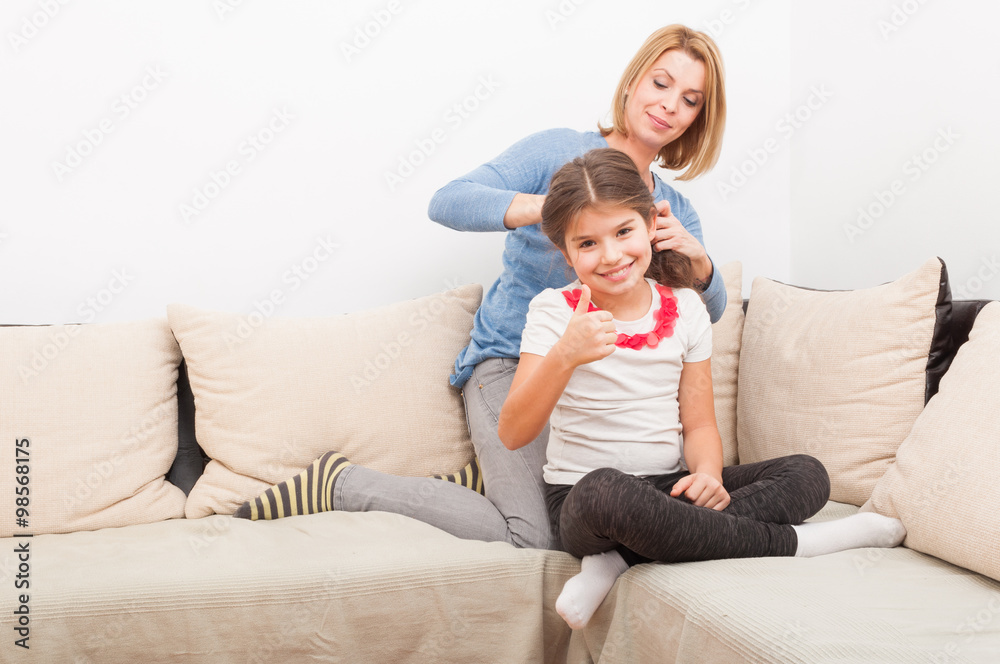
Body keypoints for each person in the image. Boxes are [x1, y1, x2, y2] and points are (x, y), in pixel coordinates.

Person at [233, 26, 729, 554]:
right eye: (661, 83)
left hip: (589, 393)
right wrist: (561, 209)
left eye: (690, 100)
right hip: (514, 366)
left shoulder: (673, 210)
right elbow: (449, 200)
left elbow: (706, 315)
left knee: (592, 528)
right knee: (536, 537)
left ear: (697, 119)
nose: (669, 105)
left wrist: (700, 264)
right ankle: (342, 483)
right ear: (633, 83)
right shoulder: (560, 151)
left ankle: (486, 486)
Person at [498, 147, 908, 630]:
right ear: (565, 252)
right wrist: (565, 354)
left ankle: (620, 561)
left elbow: (699, 423)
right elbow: (513, 432)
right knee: (605, 490)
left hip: (669, 486)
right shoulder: (552, 311)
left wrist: (709, 475)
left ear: (652, 224)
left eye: (624, 232)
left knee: (806, 474)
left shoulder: (686, 308)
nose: (611, 255)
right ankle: (803, 543)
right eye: (587, 244)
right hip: (587, 500)